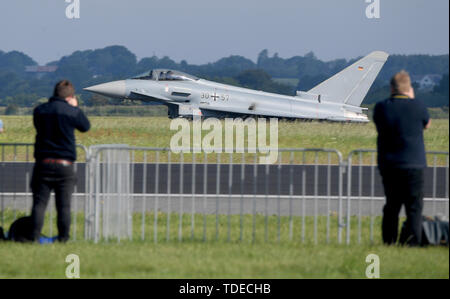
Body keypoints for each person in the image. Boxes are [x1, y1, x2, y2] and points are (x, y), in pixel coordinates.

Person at [373, 70, 431, 246]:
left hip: (389, 164)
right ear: (409, 88)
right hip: (414, 164)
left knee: (391, 206)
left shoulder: (382, 107)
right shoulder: (418, 106)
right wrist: (412, 99)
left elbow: (379, 125)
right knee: (414, 208)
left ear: (391, 88)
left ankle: (388, 242)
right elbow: (426, 124)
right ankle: (412, 244)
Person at [31, 80, 90, 242]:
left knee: (39, 204)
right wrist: (75, 108)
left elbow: (37, 125)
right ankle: (63, 239)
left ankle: (34, 238)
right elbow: (85, 126)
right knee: (63, 206)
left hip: (43, 163)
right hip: (65, 165)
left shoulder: (40, 110)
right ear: (70, 96)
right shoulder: (71, 111)